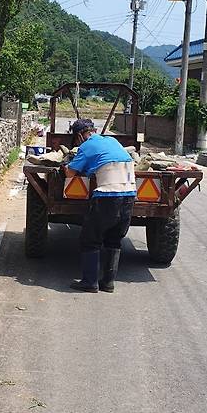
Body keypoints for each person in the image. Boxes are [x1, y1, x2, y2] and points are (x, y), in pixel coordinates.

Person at [64, 119, 137, 294]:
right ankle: (108, 283)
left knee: (90, 240)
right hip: (130, 195)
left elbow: (70, 173)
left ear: (81, 135)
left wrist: (67, 165)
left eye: (76, 138)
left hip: (107, 197)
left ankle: (90, 282)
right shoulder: (112, 141)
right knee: (113, 239)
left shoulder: (87, 146)